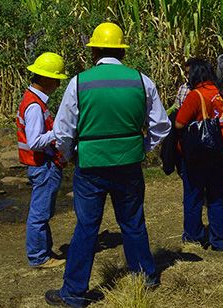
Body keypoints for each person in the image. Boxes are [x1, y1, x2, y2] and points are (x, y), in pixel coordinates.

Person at [45, 22, 171, 307]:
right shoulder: (141, 80)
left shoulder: (79, 82)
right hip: (128, 164)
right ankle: (146, 277)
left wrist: (68, 156)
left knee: (87, 227)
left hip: (90, 167)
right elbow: (161, 126)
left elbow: (64, 131)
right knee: (133, 223)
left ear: (95, 51)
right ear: (122, 52)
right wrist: (142, 147)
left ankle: (74, 293)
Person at [174, 59, 223, 251]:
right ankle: (219, 240)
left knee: (193, 195)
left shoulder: (197, 95)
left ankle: (194, 237)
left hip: (200, 154)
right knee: (217, 197)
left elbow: (179, 123)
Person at [16, 52, 68, 269]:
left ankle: (43, 253)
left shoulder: (33, 101)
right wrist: (58, 131)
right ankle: (39, 257)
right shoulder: (35, 106)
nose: (57, 84)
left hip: (40, 165)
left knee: (42, 212)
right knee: (40, 213)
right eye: (56, 79)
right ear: (46, 79)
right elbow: (35, 141)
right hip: (42, 165)